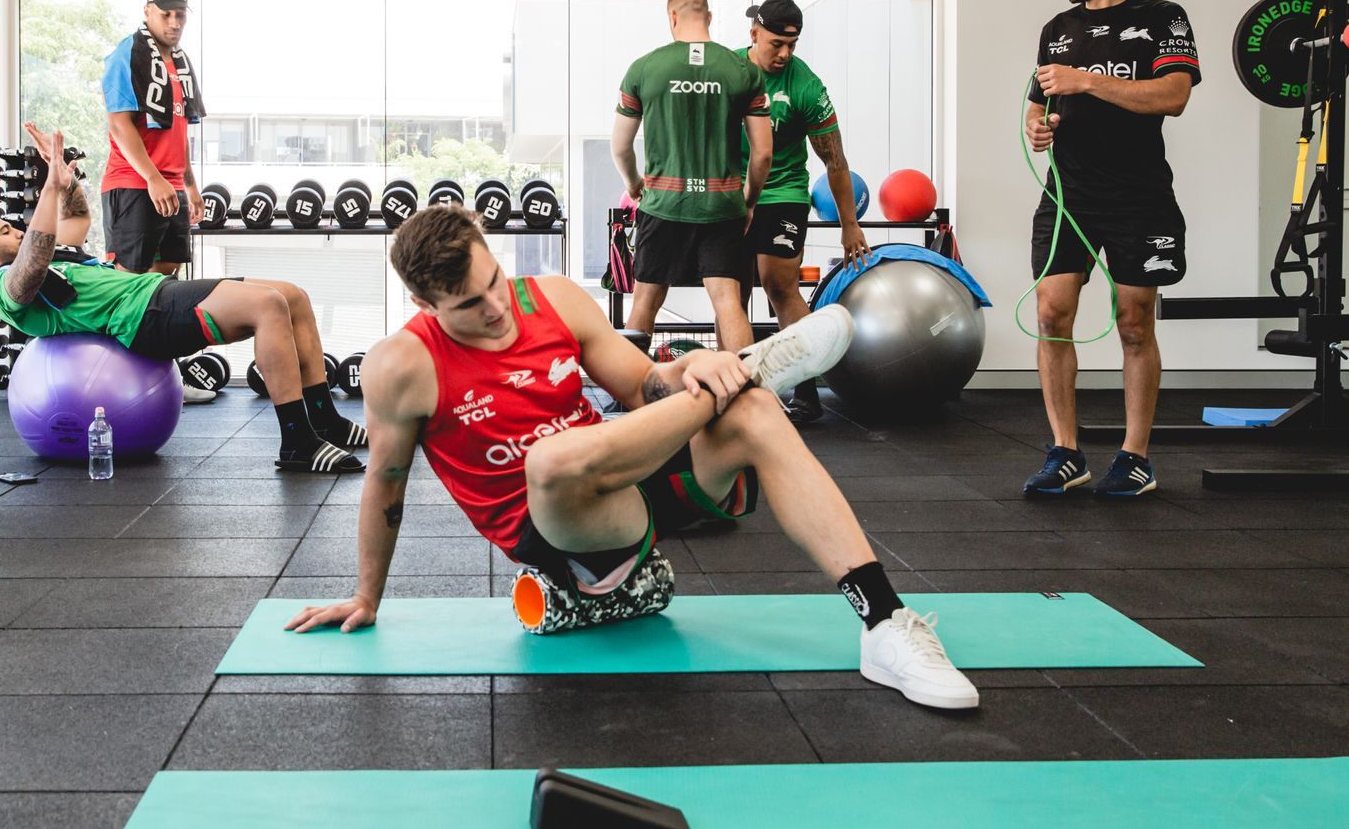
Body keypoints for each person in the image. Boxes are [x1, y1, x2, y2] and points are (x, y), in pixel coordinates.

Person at [285, 206, 978, 711]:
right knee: (550, 463)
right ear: (422, 302)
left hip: (632, 477)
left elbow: (643, 385)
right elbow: (386, 484)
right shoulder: (401, 366)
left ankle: (884, 623)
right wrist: (367, 595)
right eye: (470, 304)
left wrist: (695, 367)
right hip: (563, 533)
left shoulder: (551, 298)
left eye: (495, 280)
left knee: (756, 409)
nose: (497, 306)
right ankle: (745, 372)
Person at [0, 123, 365, 474]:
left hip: (153, 293)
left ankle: (325, 420)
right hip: (142, 318)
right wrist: (46, 195)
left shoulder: (55, 252)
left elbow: (76, 217)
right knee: (268, 305)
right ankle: (297, 442)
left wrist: (59, 178)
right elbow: (28, 274)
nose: (17, 231)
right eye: (5, 232)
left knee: (293, 296)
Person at [1024, 0, 1199, 498]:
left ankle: (1135, 456)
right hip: (1069, 193)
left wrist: (1088, 82)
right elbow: (1037, 102)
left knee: (1134, 322)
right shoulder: (1058, 28)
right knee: (1051, 314)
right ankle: (1065, 452)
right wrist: (1038, 127)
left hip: (1138, 196)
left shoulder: (1161, 18)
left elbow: (1173, 96)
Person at [612, 0, 772, 354]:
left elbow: (619, 146)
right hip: (722, 207)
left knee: (645, 304)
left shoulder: (644, 68)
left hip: (662, 204)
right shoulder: (742, 70)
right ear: (709, 16)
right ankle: (741, 398)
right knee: (729, 304)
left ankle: (632, 401)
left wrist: (634, 184)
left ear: (672, 16)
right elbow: (763, 154)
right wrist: (748, 201)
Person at [735, 0, 872, 422]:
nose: (785, 53)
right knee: (733, 292)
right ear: (754, 33)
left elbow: (835, 160)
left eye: (792, 44)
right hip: (732, 195)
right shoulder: (730, 74)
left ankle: (806, 391)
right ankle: (738, 391)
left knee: (779, 286)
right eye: (777, 43)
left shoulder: (806, 86)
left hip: (783, 194)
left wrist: (849, 225)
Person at [100, 0, 208, 277]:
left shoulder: (179, 63)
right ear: (148, 11)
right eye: (166, 14)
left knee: (166, 272)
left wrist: (190, 185)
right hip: (135, 183)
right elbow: (119, 125)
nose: (174, 23)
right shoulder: (128, 54)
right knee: (130, 278)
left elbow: (178, 131)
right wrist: (153, 177)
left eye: (180, 15)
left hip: (171, 185)